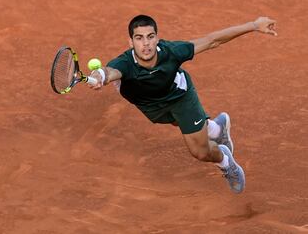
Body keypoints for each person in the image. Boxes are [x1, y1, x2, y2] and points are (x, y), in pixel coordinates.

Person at [88, 15, 277, 193]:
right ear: (131, 42)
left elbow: (212, 40)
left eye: (150, 37)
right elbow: (108, 71)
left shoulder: (172, 51)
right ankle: (216, 129)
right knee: (176, 122)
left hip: (179, 97)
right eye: (139, 38)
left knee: (200, 152)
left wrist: (253, 25)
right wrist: (99, 76)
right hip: (151, 105)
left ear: (157, 38)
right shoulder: (124, 63)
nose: (145, 44)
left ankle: (226, 162)